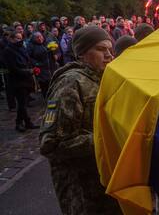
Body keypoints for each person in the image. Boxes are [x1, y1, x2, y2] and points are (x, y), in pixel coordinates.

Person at [39, 26, 121, 214]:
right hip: (82, 191)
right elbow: (52, 143)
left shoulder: (100, 78)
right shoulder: (70, 83)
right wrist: (108, 140)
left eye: (110, 49)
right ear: (82, 53)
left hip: (103, 183)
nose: (109, 55)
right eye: (101, 49)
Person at [3, 31, 39, 132]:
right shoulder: (8, 51)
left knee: (23, 102)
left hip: (26, 79)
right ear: (11, 39)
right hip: (17, 81)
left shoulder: (21, 48)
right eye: (17, 38)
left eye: (21, 38)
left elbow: (28, 60)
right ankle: (19, 123)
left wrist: (34, 67)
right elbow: (12, 68)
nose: (20, 40)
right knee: (22, 103)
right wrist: (29, 71)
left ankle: (26, 122)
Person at [27, 32, 57, 98]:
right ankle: (47, 100)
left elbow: (53, 51)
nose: (40, 38)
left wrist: (54, 52)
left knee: (52, 83)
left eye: (40, 37)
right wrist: (36, 63)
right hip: (41, 68)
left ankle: (53, 99)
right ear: (34, 39)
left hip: (50, 67)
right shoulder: (31, 45)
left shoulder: (46, 43)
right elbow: (28, 57)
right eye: (37, 37)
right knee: (44, 85)